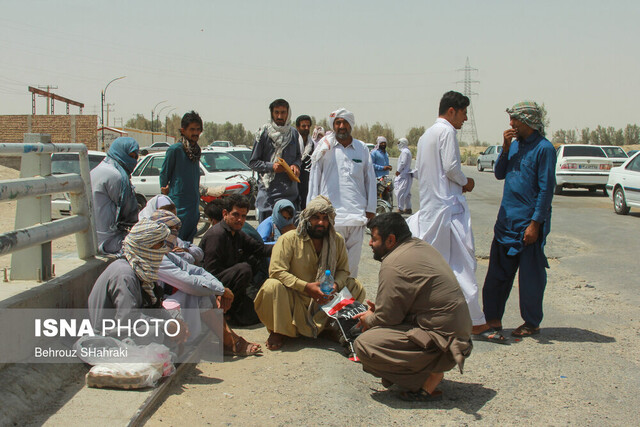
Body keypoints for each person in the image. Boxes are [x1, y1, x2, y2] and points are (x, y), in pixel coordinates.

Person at [354, 213, 472, 401]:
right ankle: (425, 371)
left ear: (391, 240)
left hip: (444, 341)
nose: (370, 244)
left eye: (374, 239)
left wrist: (367, 318)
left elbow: (387, 318)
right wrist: (380, 311)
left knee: (365, 344)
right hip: (455, 333)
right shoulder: (419, 246)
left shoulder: (393, 263)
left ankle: (427, 378)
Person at [406, 91, 491, 337]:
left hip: (432, 210)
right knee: (462, 265)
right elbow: (452, 167)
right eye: (463, 113)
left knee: (433, 267)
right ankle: (474, 320)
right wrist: (466, 182)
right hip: (449, 212)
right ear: (452, 111)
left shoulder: (425, 136)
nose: (465, 120)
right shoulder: (446, 132)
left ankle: (426, 316)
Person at [481, 101, 556, 338]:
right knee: (496, 274)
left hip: (528, 225)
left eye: (515, 120)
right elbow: (499, 173)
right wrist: (504, 148)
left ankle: (531, 322)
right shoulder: (513, 146)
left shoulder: (544, 149)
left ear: (529, 122)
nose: (511, 124)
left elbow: (546, 190)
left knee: (531, 277)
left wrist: (535, 223)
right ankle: (492, 319)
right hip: (506, 222)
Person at [254, 196, 366, 350]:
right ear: (307, 218)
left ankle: (327, 329)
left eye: (325, 218)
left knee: (355, 286)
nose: (321, 222)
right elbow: (276, 271)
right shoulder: (289, 239)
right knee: (271, 286)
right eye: (316, 218)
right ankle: (279, 330)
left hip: (326, 298)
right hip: (296, 297)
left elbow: (343, 270)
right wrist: (306, 287)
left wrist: (334, 284)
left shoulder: (336, 240)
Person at [150, 209, 261, 356]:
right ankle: (229, 340)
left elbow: (196, 270)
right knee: (200, 293)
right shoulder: (153, 256)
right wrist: (220, 290)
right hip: (149, 310)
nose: (175, 234)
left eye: (177, 229)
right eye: (171, 230)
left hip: (165, 299)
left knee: (206, 292)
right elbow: (188, 281)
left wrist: (220, 289)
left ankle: (228, 339)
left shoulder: (166, 253)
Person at [88, 218, 189, 345]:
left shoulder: (141, 269)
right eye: (159, 244)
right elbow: (128, 319)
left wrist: (172, 323)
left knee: (175, 318)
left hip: (129, 326)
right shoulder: (125, 274)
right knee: (154, 333)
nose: (163, 249)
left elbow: (154, 306)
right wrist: (167, 326)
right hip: (109, 335)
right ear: (146, 245)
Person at [307, 108, 376, 277]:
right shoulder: (325, 148)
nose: (341, 126)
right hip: (331, 217)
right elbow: (314, 179)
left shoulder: (362, 149)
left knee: (352, 268)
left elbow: (370, 179)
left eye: (345, 122)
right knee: (330, 266)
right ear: (334, 125)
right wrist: (311, 209)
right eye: (338, 122)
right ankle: (330, 301)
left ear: (350, 124)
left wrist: (371, 209)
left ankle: (348, 302)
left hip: (357, 216)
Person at [199, 195, 272, 326]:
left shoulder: (237, 233)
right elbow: (210, 273)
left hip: (228, 282)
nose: (240, 220)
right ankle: (227, 311)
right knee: (243, 269)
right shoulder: (217, 235)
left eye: (243, 216)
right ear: (225, 214)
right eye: (236, 215)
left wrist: (286, 245)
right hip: (211, 285)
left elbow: (260, 249)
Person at [249, 99, 302, 222]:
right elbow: (253, 162)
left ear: (288, 113)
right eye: (276, 112)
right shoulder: (263, 133)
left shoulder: (293, 133)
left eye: (283, 112)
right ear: (271, 113)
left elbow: (298, 156)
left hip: (290, 195)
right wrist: (271, 167)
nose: (279, 116)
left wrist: (295, 165)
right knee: (268, 236)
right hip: (269, 196)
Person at [91, 137, 140, 254]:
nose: (132, 161)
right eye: (130, 156)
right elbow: (129, 213)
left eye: (135, 158)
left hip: (92, 239)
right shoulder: (117, 177)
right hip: (109, 241)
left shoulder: (98, 169)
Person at [160, 111, 203, 243]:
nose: (195, 133)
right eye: (192, 129)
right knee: (175, 242)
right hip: (179, 205)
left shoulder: (196, 151)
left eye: (198, 129)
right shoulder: (175, 150)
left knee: (188, 243)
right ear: (183, 130)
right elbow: (164, 176)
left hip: (193, 206)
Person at [139, 194, 204, 264]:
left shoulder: (174, 236)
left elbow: (198, 252)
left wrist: (186, 250)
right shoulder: (148, 241)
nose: (174, 229)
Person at [296, 115, 314, 210]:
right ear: (298, 127)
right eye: (303, 126)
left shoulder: (312, 145)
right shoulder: (293, 143)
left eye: (308, 126)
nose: (306, 128)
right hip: (294, 183)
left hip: (307, 183)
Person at [394, 138, 413, 214]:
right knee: (407, 193)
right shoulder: (406, 151)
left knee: (400, 192)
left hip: (403, 174)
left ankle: (400, 208)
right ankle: (408, 208)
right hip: (405, 174)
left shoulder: (405, 152)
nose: (398, 144)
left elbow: (403, 162)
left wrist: (398, 171)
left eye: (399, 143)